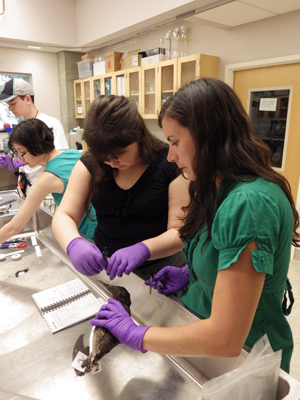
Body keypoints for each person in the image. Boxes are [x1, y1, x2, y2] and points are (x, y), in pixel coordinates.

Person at [88, 78, 300, 374]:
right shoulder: (217, 186)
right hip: (201, 338)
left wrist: (138, 333)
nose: (171, 156)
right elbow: (228, 258)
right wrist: (192, 274)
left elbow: (226, 338)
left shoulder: (250, 203)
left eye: (175, 142)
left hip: (243, 361)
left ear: (208, 136)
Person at [52, 95, 189, 280]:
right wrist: (73, 243)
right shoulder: (91, 164)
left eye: (118, 154)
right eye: (104, 157)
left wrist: (144, 249)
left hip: (162, 269)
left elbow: (179, 231)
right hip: (108, 268)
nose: (111, 162)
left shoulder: (169, 162)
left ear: (138, 136)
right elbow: (64, 215)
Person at [0, 119, 96, 244]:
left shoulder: (46, 179)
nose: (19, 158)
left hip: (88, 236)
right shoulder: (72, 153)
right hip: (103, 226)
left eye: (22, 152)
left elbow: (13, 228)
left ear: (36, 145)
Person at [0, 78, 69, 191]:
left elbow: (60, 162)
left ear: (27, 99)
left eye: (13, 103)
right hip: (26, 188)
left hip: (45, 192)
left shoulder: (50, 123)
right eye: (8, 105)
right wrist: (13, 159)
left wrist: (26, 161)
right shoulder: (22, 127)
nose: (10, 108)